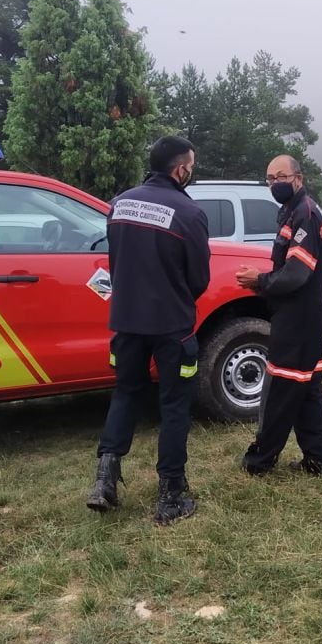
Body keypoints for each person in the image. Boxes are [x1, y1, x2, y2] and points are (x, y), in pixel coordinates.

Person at [86, 135, 210, 526]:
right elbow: (200, 278)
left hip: (126, 321)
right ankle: (171, 496)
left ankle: (105, 479)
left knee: (125, 394)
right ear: (180, 169)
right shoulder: (189, 213)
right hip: (172, 327)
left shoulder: (119, 204)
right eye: (191, 163)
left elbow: (117, 259)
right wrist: (175, 298)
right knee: (173, 406)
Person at [235, 155, 322, 477]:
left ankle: (259, 462)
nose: (274, 183)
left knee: (281, 389)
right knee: (307, 391)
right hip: (305, 318)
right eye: (269, 178)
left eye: (280, 176)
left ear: (298, 179)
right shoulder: (295, 211)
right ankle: (319, 462)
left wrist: (260, 281)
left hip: (298, 321)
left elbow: (295, 275)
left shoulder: (304, 213)